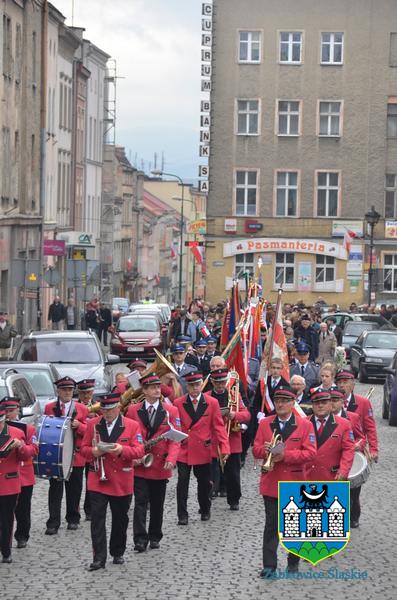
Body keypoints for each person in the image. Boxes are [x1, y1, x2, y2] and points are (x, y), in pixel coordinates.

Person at [252, 388, 317, 577]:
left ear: (292, 403)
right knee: (271, 524)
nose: (280, 404)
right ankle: (269, 565)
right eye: (277, 400)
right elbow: (255, 449)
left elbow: (310, 453)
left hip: (294, 481)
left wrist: (285, 455)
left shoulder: (304, 425)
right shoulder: (265, 423)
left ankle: (293, 562)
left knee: (294, 525)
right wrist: (265, 451)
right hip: (271, 481)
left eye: (284, 401)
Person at [81, 392, 145, 571]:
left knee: (120, 519)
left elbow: (139, 450)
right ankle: (98, 558)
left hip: (121, 479)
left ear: (118, 408)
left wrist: (122, 450)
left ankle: (117, 551)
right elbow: (83, 449)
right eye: (104, 410)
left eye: (110, 410)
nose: (107, 414)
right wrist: (93, 452)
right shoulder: (93, 424)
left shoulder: (131, 425)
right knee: (97, 520)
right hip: (98, 479)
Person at [126, 373, 180, 552]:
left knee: (157, 503)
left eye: (158, 387)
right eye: (153, 387)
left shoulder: (170, 411)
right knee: (140, 502)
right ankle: (140, 539)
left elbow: (175, 439)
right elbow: (127, 436)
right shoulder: (133, 410)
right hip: (140, 463)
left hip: (159, 464)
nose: (158, 390)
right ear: (145, 391)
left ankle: (155, 535)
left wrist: (172, 459)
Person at [174, 371, 230, 525]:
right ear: (187, 386)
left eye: (197, 385)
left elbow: (219, 427)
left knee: (204, 483)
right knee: (182, 482)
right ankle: (182, 515)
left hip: (203, 449)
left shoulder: (212, 402)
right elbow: (174, 426)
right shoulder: (178, 403)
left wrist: (224, 447)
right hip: (184, 448)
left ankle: (205, 509)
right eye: (191, 385)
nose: (195, 388)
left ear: (202, 385)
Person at [44, 377, 89, 534]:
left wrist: (80, 426)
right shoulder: (49, 407)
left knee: (74, 489)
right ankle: (53, 522)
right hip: (56, 456)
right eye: (64, 390)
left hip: (75, 456)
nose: (67, 392)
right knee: (55, 489)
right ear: (58, 391)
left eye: (70, 390)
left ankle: (73, 518)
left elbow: (89, 431)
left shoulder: (82, 409)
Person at [335, 369, 378, 528]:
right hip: (335, 450)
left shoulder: (363, 403)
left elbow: (370, 428)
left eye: (345, 382)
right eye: (339, 382)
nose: (342, 385)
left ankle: (354, 515)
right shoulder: (331, 401)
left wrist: (373, 449)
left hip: (355, 450)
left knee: (354, 487)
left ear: (352, 385)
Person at [209, 368, 250, 509]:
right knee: (210, 473)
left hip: (232, 439)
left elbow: (247, 414)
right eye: (217, 382)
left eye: (222, 382)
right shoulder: (206, 396)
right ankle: (208, 497)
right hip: (213, 439)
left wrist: (235, 415)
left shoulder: (235, 395)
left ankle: (234, 500)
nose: (220, 385)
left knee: (233, 473)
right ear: (212, 382)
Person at [2, 397, 38, 551]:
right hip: (7, 476)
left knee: (23, 509)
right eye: (7, 411)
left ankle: (22, 535)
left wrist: (21, 446)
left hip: (24, 474)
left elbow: (34, 450)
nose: (10, 414)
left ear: (18, 411)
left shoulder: (27, 428)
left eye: (13, 410)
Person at [76, 379, 97, 521]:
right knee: (76, 484)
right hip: (77, 451)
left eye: (88, 392)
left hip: (92, 449)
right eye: (83, 393)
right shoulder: (74, 407)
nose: (86, 396)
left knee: (91, 481)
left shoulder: (99, 406)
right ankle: (74, 510)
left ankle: (89, 510)